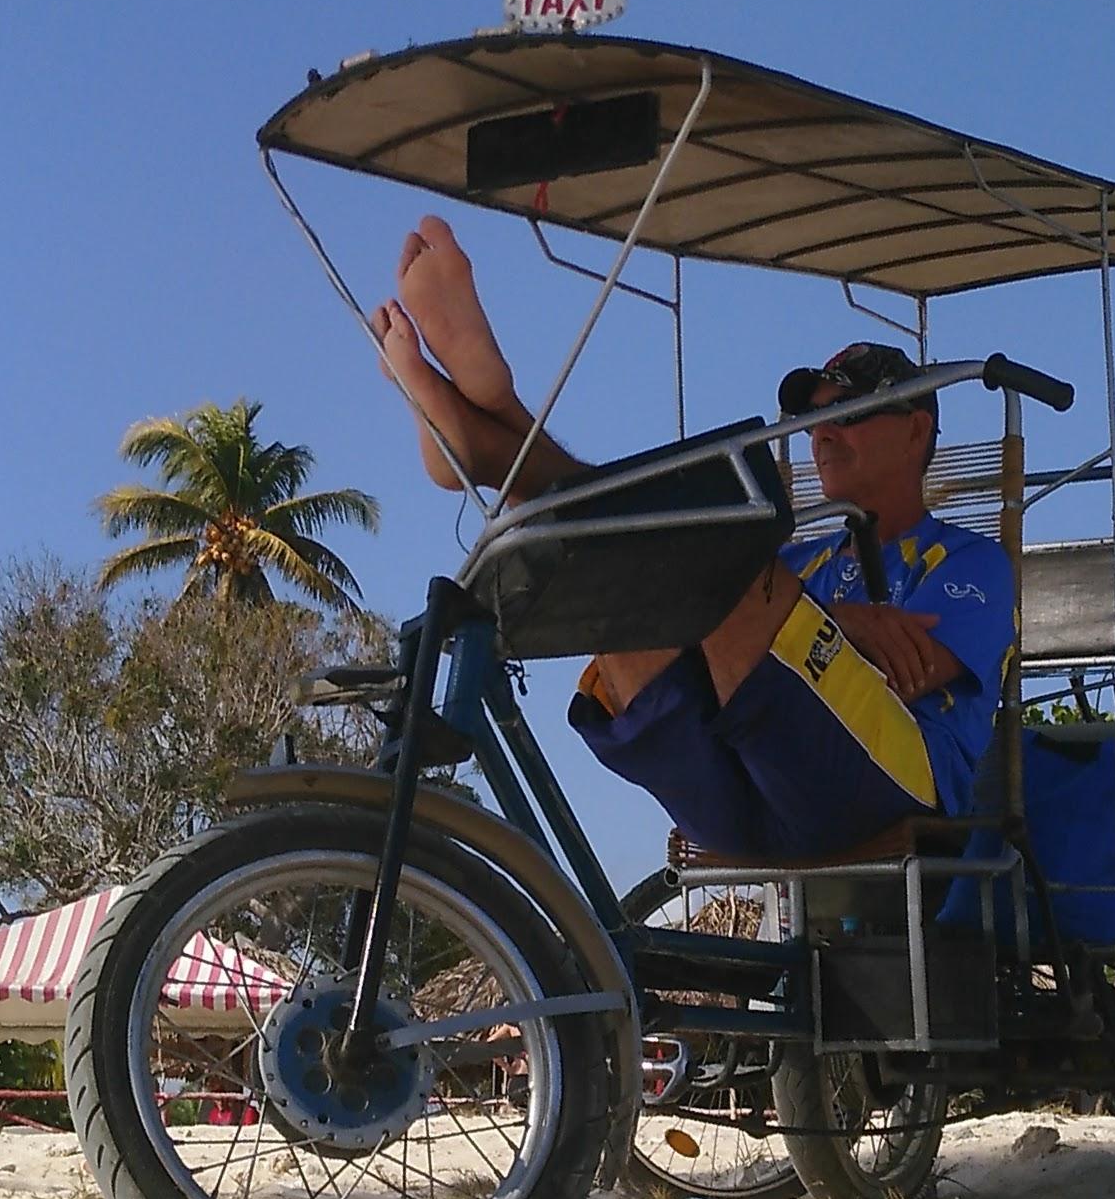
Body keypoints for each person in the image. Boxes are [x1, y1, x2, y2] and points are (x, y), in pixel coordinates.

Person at [371, 217, 1016, 860]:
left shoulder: (970, 561)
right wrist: (841, 625)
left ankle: (493, 437)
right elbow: (811, 651)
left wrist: (813, 625)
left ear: (915, 430)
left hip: (884, 792)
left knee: (706, 556)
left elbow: (911, 671)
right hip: (735, 792)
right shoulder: (792, 564)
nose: (821, 432)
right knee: (642, 578)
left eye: (846, 412)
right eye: (814, 416)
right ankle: (490, 432)